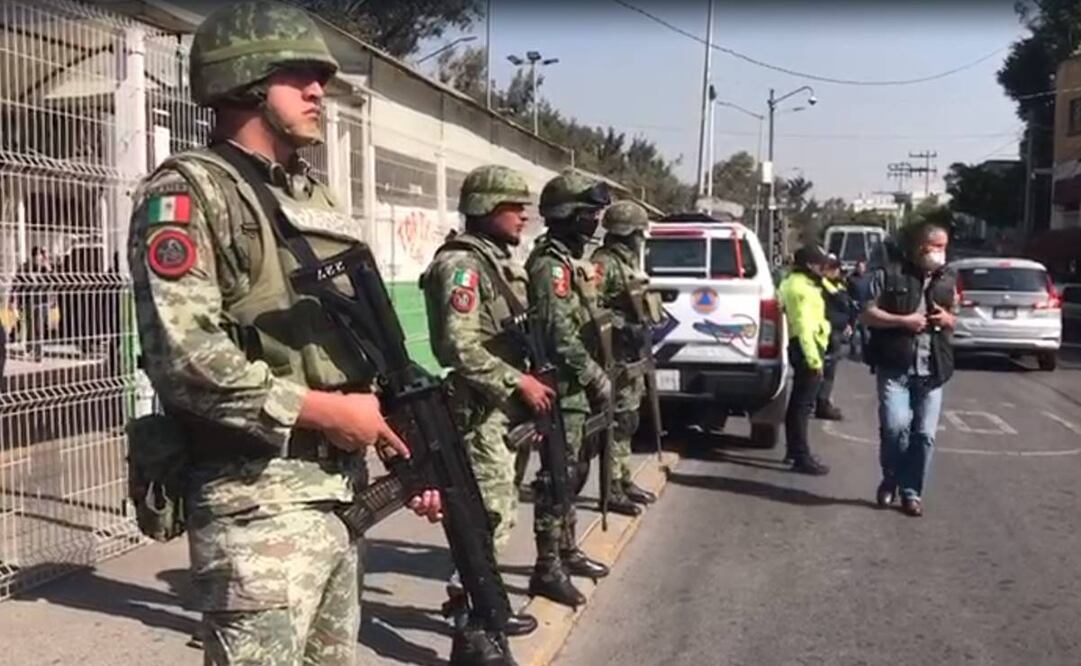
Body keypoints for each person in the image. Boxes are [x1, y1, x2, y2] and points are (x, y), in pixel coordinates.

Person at [128, 4, 441, 664]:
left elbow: (346, 341)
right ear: (244, 82)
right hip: (255, 507)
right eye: (297, 76)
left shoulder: (311, 197)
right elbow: (184, 357)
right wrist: (324, 410)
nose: (316, 91)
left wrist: (400, 440)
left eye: (318, 78)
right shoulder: (189, 194)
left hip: (336, 499)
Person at [422, 164, 549, 636]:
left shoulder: (494, 262)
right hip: (480, 412)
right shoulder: (462, 266)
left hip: (502, 411)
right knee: (486, 515)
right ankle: (474, 612)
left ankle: (483, 605)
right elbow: (458, 347)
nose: (523, 217)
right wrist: (518, 383)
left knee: (500, 511)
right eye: (514, 207)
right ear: (486, 208)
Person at [525, 170, 613, 607]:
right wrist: (595, 375)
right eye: (589, 214)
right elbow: (559, 335)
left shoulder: (569, 261)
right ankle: (547, 567)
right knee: (556, 477)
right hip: (561, 388)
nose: (595, 222)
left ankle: (567, 547)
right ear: (567, 215)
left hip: (575, 390)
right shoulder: (549, 265)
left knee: (574, 473)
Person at [860, 222, 956, 518]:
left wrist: (948, 319)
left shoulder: (948, 279)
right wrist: (903, 321)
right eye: (935, 247)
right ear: (920, 247)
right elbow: (866, 313)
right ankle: (890, 479)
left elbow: (958, 316)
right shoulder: (889, 274)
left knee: (924, 435)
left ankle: (911, 492)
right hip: (896, 367)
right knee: (894, 427)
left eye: (944, 248)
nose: (940, 254)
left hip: (933, 370)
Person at [591, 201, 657, 515]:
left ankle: (624, 478)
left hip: (632, 353)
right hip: (613, 354)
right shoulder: (604, 262)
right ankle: (611, 487)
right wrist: (621, 326)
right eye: (638, 233)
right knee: (616, 422)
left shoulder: (628, 260)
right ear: (626, 232)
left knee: (629, 419)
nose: (641, 239)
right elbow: (592, 307)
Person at [777, 245, 831, 476]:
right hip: (806, 347)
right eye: (821, 264)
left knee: (798, 403)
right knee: (803, 406)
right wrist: (814, 361)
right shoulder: (802, 290)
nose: (824, 269)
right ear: (810, 265)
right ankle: (801, 455)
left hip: (803, 346)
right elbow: (804, 326)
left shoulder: (795, 282)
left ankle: (794, 450)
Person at [816, 254, 851, 421]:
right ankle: (821, 403)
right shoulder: (824, 287)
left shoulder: (837, 285)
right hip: (826, 332)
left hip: (834, 331)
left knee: (828, 372)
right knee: (824, 372)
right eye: (834, 268)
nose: (838, 271)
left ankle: (822, 402)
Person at [846, 260, 873, 360]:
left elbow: (871, 292)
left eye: (862, 267)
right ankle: (852, 351)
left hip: (865, 307)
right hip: (854, 308)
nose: (861, 269)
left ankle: (865, 352)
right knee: (852, 331)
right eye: (859, 267)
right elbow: (847, 292)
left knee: (865, 332)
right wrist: (851, 301)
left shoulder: (868, 279)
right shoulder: (851, 279)